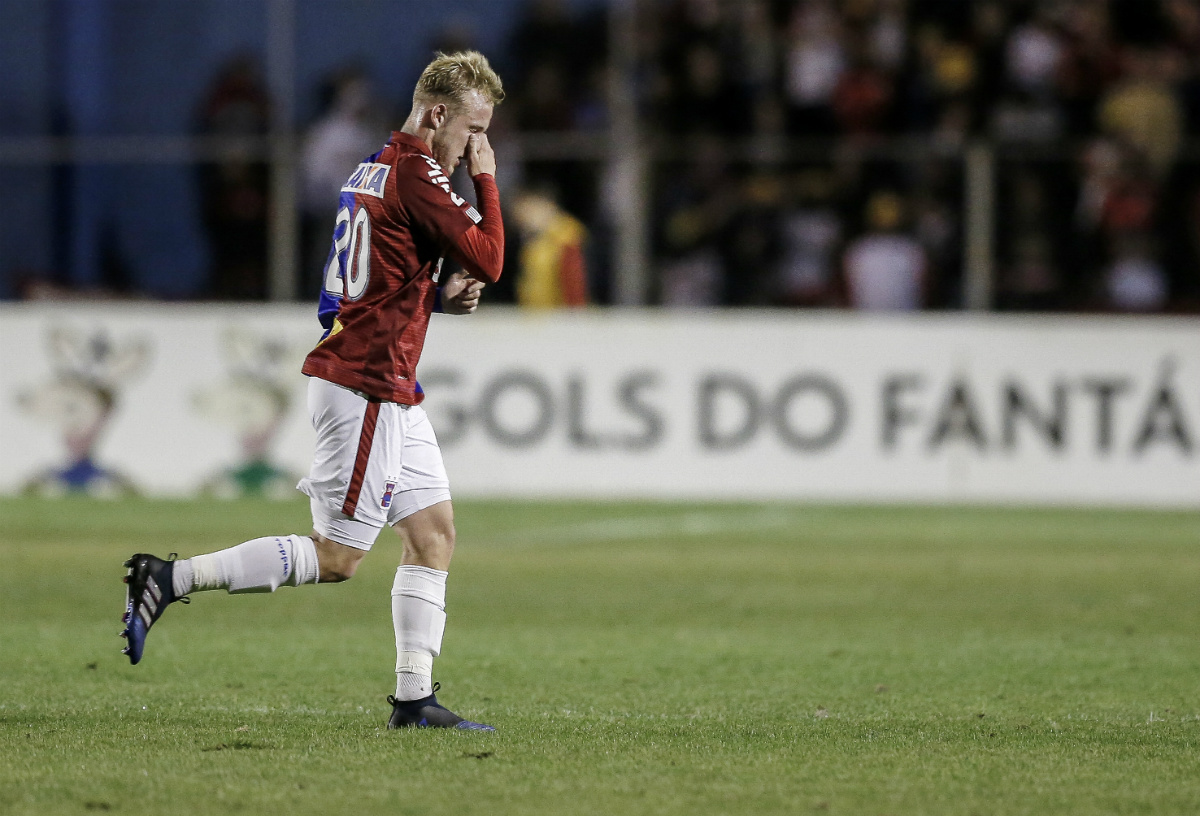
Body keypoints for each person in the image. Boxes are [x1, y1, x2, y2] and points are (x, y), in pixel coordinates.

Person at [120, 52, 506, 731]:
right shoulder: (419, 173)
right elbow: (494, 257)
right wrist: (487, 179)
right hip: (365, 385)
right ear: (439, 114)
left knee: (434, 535)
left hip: (385, 383)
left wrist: (437, 299)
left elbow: (361, 288)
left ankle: (414, 699)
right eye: (474, 130)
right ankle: (166, 579)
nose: (478, 145)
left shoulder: (374, 166)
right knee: (338, 558)